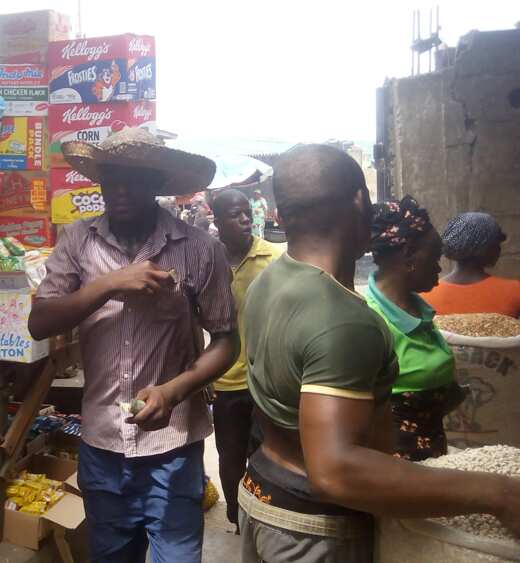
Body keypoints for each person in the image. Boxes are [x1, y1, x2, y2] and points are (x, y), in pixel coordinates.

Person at [239, 144, 520, 562]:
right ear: (359, 200)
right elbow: (336, 469)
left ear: (283, 212)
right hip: (314, 530)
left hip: (262, 491)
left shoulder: (271, 279)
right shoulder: (343, 318)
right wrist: (499, 493)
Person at [29, 127, 239, 562]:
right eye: (112, 178)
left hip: (174, 448)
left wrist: (173, 391)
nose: (121, 189)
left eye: (135, 178)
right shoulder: (78, 241)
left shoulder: (200, 249)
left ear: (157, 183)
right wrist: (108, 285)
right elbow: (39, 322)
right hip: (102, 444)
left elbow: (225, 341)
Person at [209, 188, 283, 530]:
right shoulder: (209, 262)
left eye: (246, 213)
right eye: (234, 214)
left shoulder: (272, 259)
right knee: (230, 457)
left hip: (265, 379)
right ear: (217, 220)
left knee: (268, 455)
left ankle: (265, 519)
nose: (244, 219)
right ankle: (237, 517)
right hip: (224, 381)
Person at [365, 196, 459, 461]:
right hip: (396, 468)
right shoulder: (371, 321)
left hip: (434, 455)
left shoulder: (418, 309)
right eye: (435, 257)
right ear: (408, 256)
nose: (439, 268)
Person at [421, 212, 520, 317]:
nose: (500, 249)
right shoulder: (514, 291)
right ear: (487, 247)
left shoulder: (424, 297)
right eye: (497, 244)